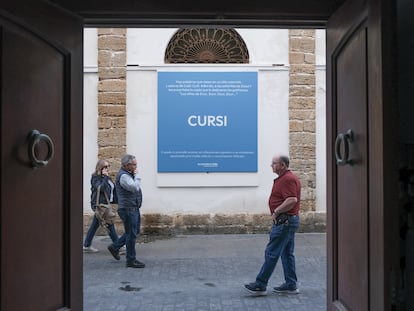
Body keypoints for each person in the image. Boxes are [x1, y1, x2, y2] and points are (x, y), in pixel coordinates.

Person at [244, 154, 301, 295]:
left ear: (282, 165)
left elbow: (292, 199)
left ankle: (260, 284)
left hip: (284, 222)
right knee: (286, 253)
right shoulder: (285, 178)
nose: (271, 165)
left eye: (274, 163)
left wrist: (276, 211)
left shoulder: (288, 179)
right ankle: (291, 284)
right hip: (287, 221)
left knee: (272, 252)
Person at [107, 154, 145, 268]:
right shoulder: (124, 176)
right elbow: (134, 187)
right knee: (131, 235)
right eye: (134, 164)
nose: (136, 166)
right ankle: (131, 260)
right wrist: (137, 175)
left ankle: (115, 246)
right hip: (128, 209)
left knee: (133, 232)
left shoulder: (129, 174)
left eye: (136, 164)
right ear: (127, 165)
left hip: (133, 207)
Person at [83, 159, 119, 253]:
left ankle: (87, 245)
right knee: (110, 224)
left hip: (106, 204)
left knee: (95, 225)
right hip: (100, 204)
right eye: (106, 167)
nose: (108, 169)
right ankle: (118, 245)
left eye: (108, 166)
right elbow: (101, 188)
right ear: (100, 167)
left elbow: (113, 189)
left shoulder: (107, 177)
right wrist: (105, 178)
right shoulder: (95, 177)